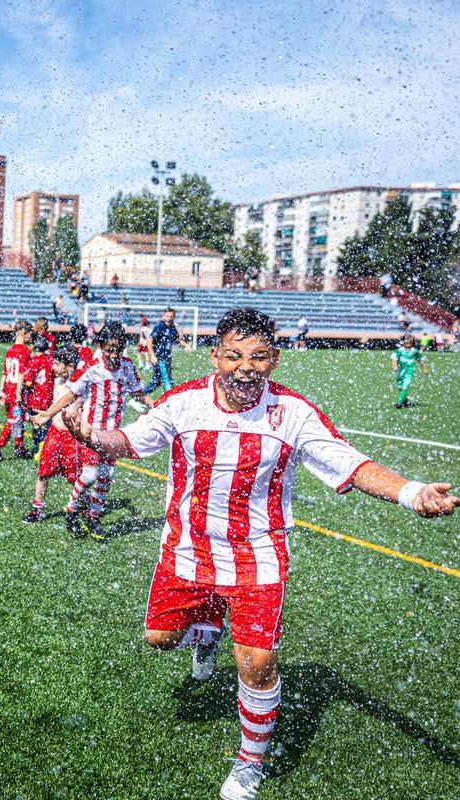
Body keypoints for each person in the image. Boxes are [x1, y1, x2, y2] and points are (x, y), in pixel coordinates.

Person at [61, 306, 458, 800]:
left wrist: (410, 491)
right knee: (159, 638)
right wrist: (92, 437)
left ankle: (250, 762)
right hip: (187, 550)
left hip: (258, 558)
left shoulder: (292, 413)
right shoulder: (183, 402)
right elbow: (130, 441)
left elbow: (352, 465)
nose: (245, 366)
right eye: (233, 355)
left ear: (274, 360)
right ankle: (205, 631)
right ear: (215, 357)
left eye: (258, 356)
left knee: (256, 662)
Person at [32, 321, 151, 540]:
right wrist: (47, 414)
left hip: (113, 434)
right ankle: (71, 510)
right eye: (109, 350)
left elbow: (138, 393)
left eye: (118, 350)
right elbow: (71, 394)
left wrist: (156, 405)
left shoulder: (127, 366)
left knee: (107, 475)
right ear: (100, 346)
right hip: (90, 431)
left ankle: (93, 517)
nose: (113, 355)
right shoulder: (91, 366)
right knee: (90, 474)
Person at [23, 345, 83, 523]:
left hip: (71, 438)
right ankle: (37, 508)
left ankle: (83, 503)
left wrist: (46, 415)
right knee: (43, 472)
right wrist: (41, 413)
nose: (54, 367)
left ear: (70, 366)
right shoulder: (58, 380)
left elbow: (69, 403)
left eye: (58, 364)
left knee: (75, 476)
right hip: (54, 433)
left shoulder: (78, 386)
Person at [0, 321, 32, 460]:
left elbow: (4, 373)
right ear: (24, 333)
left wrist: (1, 390)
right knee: (13, 421)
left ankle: (18, 448)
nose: (30, 337)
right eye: (29, 334)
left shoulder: (10, 350)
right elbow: (21, 374)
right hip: (16, 392)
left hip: (8, 389)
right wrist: (18, 394)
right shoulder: (25, 351)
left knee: (17, 420)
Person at [143, 307, 194, 394]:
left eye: (171, 316)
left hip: (166, 359)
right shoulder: (160, 327)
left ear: (174, 317)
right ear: (163, 316)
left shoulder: (172, 327)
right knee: (167, 382)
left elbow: (177, 339)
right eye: (167, 316)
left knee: (157, 382)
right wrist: (153, 355)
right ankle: (169, 402)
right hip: (159, 358)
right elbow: (149, 340)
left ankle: (139, 397)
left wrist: (186, 345)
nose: (169, 318)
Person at [23, 334, 55, 454]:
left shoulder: (33, 362)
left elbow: (29, 382)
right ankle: (47, 448)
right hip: (48, 398)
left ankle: (38, 449)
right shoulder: (50, 361)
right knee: (47, 424)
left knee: (36, 425)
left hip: (35, 399)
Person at [391, 333, 428, 409]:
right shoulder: (399, 350)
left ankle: (399, 402)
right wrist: (394, 366)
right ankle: (404, 400)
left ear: (412, 342)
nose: (407, 343)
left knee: (405, 386)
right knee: (400, 387)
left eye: (409, 341)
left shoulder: (415, 351)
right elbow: (394, 358)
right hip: (400, 372)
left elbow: (420, 360)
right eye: (406, 341)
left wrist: (424, 369)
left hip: (409, 372)